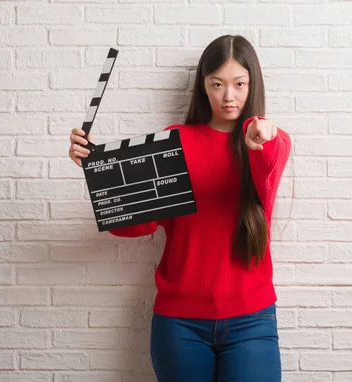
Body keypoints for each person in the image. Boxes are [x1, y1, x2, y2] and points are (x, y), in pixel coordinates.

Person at [68, 35, 291, 382]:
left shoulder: (269, 142)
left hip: (252, 319)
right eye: (217, 84)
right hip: (180, 322)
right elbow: (136, 225)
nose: (228, 96)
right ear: (203, 86)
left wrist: (260, 143)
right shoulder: (175, 142)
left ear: (252, 85)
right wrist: (98, 173)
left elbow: (267, 176)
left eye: (239, 84)